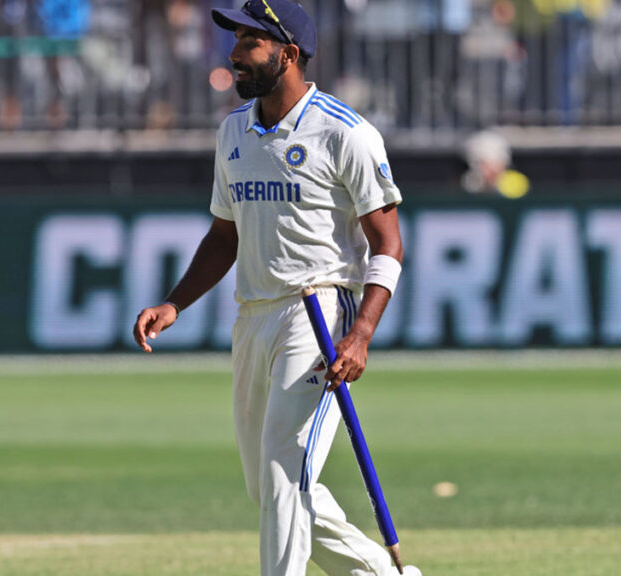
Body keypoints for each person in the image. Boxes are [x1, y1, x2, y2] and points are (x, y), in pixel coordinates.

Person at [131, 2, 420, 575]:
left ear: (287, 54)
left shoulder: (346, 132)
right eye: (235, 40)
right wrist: (175, 302)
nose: (234, 54)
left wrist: (360, 334)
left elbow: (389, 245)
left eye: (248, 43)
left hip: (317, 314)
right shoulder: (233, 130)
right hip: (252, 315)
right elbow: (223, 234)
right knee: (269, 485)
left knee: (285, 472)